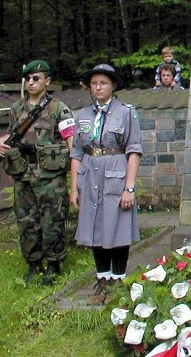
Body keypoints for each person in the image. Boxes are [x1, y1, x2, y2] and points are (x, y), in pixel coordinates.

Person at [0, 60, 75, 285]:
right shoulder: (17, 109)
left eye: (36, 78)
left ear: (47, 81)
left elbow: (71, 143)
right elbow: (10, 137)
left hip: (50, 178)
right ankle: (34, 264)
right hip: (23, 176)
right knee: (26, 222)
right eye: (27, 78)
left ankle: (54, 265)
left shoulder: (59, 108)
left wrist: (78, 175)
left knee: (52, 222)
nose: (31, 82)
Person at [70, 64, 143, 304]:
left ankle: (118, 281)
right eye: (94, 83)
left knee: (118, 228)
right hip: (90, 175)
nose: (98, 87)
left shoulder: (125, 112)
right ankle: (102, 279)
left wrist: (129, 187)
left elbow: (133, 150)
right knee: (95, 228)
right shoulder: (82, 116)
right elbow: (76, 153)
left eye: (103, 83)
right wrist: (74, 187)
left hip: (116, 174)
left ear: (112, 86)